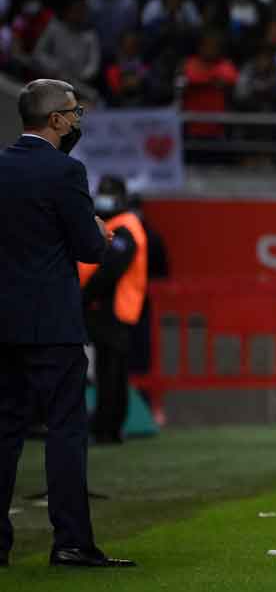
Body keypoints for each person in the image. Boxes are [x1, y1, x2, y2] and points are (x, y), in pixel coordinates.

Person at [0, 79, 134, 568]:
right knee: (64, 431)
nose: (77, 121)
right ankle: (72, 541)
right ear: (55, 119)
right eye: (73, 113)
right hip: (52, 325)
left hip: (4, 325)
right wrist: (98, 230)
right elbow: (89, 248)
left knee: (5, 433)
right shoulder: (66, 171)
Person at [78, 175, 148, 445]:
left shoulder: (125, 228)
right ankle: (109, 425)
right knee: (110, 369)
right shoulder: (118, 225)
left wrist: (83, 296)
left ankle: (107, 426)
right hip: (113, 307)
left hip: (113, 308)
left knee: (110, 370)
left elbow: (110, 271)